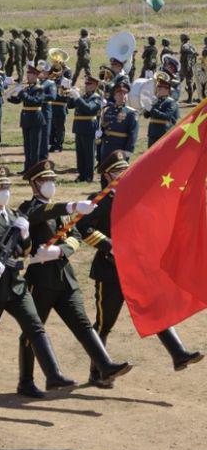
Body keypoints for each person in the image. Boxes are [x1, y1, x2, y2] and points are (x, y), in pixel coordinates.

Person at [77, 151, 203, 385]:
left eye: (126, 169)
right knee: (105, 323)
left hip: (136, 268)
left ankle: (178, 354)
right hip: (111, 270)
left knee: (155, 309)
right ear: (107, 175)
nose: (124, 174)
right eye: (118, 171)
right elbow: (83, 228)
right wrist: (109, 245)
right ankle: (98, 372)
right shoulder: (99, 200)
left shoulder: (135, 196)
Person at [0, 165, 77, 405]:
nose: (5, 191)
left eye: (7, 186)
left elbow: (24, 252)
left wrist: (26, 235)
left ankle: (49, 376)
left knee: (35, 327)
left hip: (16, 285)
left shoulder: (13, 216)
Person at [16, 159, 132, 397]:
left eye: (52, 179)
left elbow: (76, 235)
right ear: (34, 184)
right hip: (41, 280)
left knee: (83, 324)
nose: (50, 184)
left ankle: (105, 366)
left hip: (65, 278)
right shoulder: (28, 209)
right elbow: (39, 214)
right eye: (45, 180)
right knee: (33, 331)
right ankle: (26, 381)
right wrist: (71, 206)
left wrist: (60, 250)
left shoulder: (59, 211)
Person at [7, 62, 48, 172]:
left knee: (34, 147)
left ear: (35, 76)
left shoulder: (40, 89)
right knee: (27, 146)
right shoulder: (27, 88)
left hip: (36, 119)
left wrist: (21, 92)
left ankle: (34, 170)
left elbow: (35, 101)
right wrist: (9, 96)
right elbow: (18, 100)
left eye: (29, 75)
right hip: (26, 119)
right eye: (27, 75)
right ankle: (27, 168)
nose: (27, 77)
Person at [67, 70, 105, 183]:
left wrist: (78, 98)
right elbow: (70, 106)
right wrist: (71, 96)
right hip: (79, 127)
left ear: (95, 86)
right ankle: (81, 174)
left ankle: (88, 176)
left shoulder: (97, 98)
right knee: (80, 153)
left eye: (89, 84)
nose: (86, 86)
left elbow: (89, 109)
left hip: (89, 128)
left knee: (89, 153)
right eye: (86, 83)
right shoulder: (83, 96)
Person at [99, 78, 138, 158]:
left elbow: (133, 135)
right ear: (114, 96)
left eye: (125, 93)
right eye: (120, 93)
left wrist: (127, 153)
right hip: (106, 148)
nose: (123, 96)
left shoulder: (131, 113)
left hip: (120, 150)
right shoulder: (107, 110)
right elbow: (103, 128)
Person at [144, 72, 179, 146]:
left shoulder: (171, 102)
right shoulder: (156, 101)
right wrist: (147, 106)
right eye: (158, 87)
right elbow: (146, 115)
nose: (157, 90)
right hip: (152, 135)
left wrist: (152, 109)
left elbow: (166, 116)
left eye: (160, 88)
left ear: (167, 90)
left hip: (164, 134)